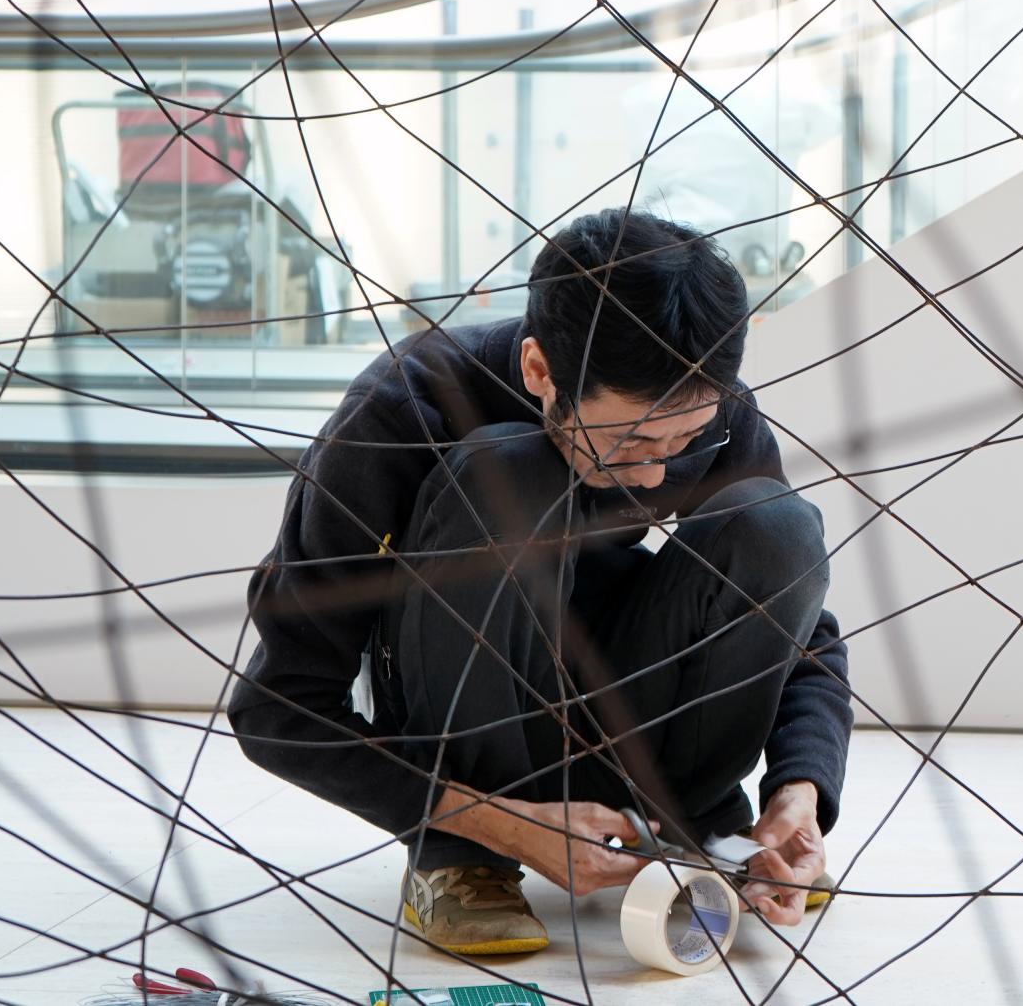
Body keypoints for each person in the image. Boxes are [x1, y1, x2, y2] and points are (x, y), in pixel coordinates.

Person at [230, 210, 850, 956]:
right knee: (508, 471)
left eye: (681, 442)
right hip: (461, 723)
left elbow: (802, 637)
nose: (656, 472)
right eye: (629, 442)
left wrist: (798, 794)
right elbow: (276, 707)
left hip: (626, 717)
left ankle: (695, 823)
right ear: (537, 371)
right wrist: (488, 816)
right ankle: (463, 856)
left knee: (775, 523)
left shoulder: (715, 419)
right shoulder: (402, 408)